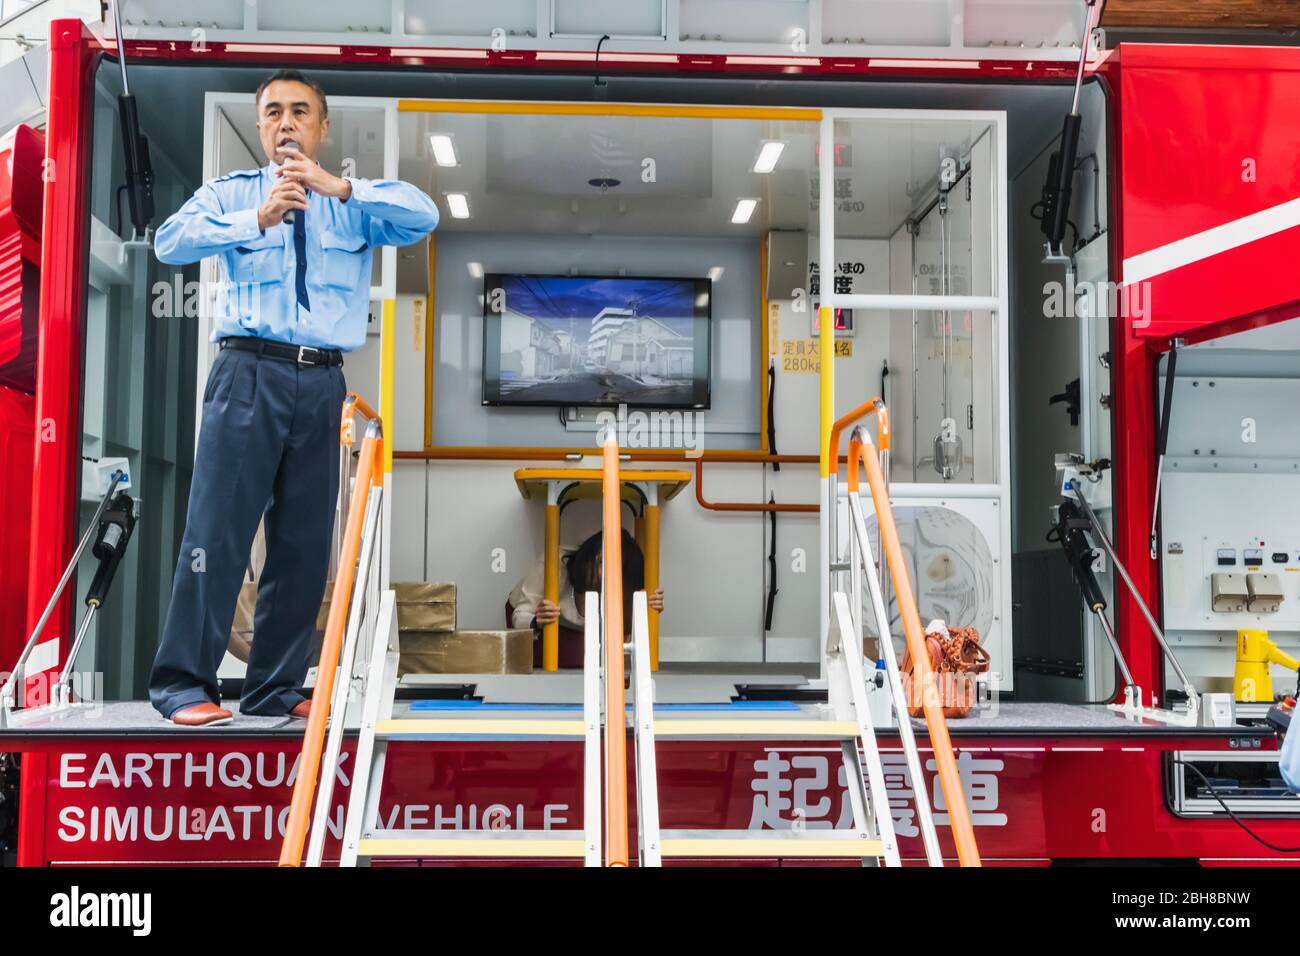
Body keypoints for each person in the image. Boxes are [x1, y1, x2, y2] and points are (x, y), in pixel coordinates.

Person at [148, 69, 439, 726]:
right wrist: (256, 218)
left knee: (304, 543)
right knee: (216, 532)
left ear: (321, 127)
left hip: (322, 379)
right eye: (273, 111)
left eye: (299, 111)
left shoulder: (353, 203)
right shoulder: (231, 193)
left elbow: (426, 215)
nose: (285, 122)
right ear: (259, 126)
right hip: (246, 372)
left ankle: (274, 689)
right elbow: (171, 242)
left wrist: (340, 186)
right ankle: (183, 686)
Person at [506, 530, 665, 669]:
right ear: (588, 555)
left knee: (596, 658)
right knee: (570, 655)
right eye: (601, 562)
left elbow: (626, 639)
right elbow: (520, 618)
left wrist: (646, 610)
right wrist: (537, 621)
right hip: (538, 623)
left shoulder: (623, 590)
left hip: (583, 633)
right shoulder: (553, 565)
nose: (602, 573)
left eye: (615, 568)